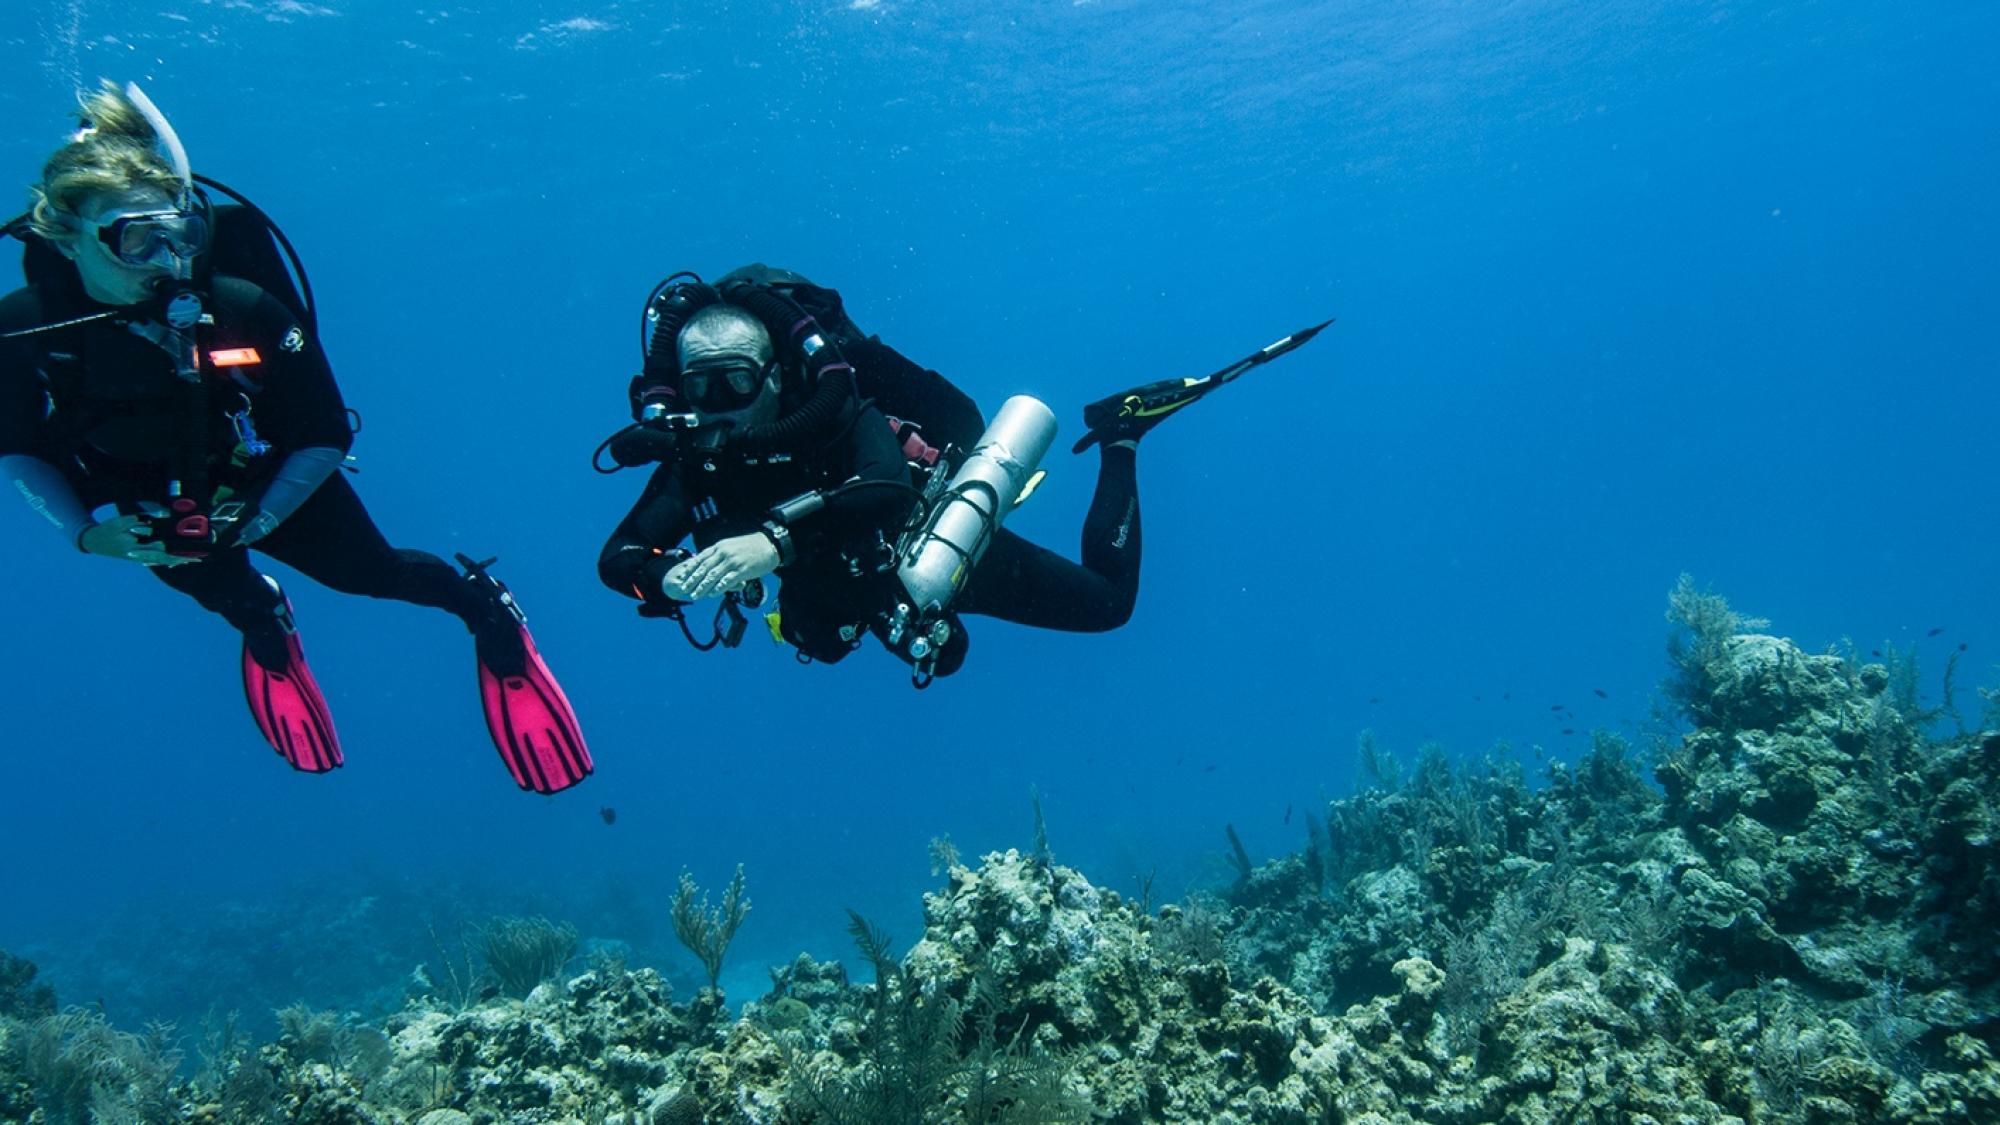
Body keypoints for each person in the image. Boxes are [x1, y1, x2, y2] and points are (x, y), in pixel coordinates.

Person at [0, 82, 591, 793]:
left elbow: (323, 430)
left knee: (373, 573)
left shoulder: (245, 307)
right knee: (229, 597)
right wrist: (84, 535)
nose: (166, 261)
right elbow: (18, 447)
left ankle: (485, 608)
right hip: (143, 507)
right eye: (135, 238)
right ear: (65, 235)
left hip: (271, 480)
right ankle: (265, 620)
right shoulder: (21, 328)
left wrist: (262, 516)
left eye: (178, 234)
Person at [596, 264, 1326, 683]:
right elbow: (619, 557)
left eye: (735, 383)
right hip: (868, 585)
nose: (719, 408)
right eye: (699, 389)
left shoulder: (837, 413)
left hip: (921, 535)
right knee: (921, 653)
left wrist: (773, 543)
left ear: (778, 376)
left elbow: (882, 486)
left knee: (1107, 606)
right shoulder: (699, 458)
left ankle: (1121, 434)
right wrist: (661, 578)